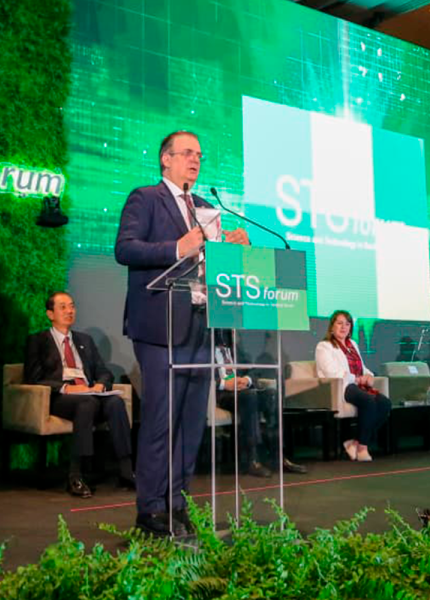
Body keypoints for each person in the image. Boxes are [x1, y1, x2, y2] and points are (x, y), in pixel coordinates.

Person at [114, 130, 249, 537]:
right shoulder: (145, 198)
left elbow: (212, 266)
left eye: (199, 155)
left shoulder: (206, 208)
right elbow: (125, 249)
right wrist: (176, 247)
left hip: (201, 325)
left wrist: (234, 249)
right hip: (160, 326)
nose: (195, 160)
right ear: (165, 158)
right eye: (187, 153)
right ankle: (150, 509)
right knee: (161, 419)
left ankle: (177, 503)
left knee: (191, 423)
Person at [23, 291, 135, 498]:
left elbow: (103, 371)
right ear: (50, 314)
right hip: (60, 399)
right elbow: (33, 378)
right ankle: (76, 475)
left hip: (90, 393)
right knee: (87, 403)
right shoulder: (38, 341)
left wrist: (101, 384)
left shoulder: (85, 340)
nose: (70, 311)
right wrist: (66, 388)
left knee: (115, 403)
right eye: (63, 307)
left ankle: (127, 471)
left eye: (72, 306)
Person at [214, 332, 308, 477]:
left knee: (271, 394)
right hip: (221, 395)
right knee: (249, 396)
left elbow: (253, 370)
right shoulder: (204, 351)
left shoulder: (235, 350)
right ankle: (252, 460)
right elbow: (199, 375)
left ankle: (278, 457)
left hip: (243, 390)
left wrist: (246, 379)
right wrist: (224, 384)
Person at [314, 310, 392, 462]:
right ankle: (362, 447)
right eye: (340, 323)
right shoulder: (324, 346)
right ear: (332, 326)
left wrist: (369, 376)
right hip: (340, 386)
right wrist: (356, 379)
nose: (344, 327)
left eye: (347, 324)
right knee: (368, 401)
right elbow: (332, 372)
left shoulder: (353, 344)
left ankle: (355, 442)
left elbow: (361, 367)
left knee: (385, 403)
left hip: (356, 385)